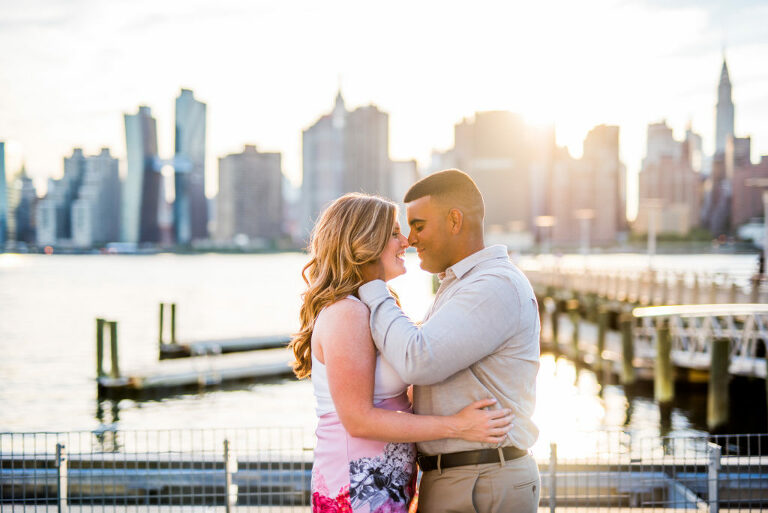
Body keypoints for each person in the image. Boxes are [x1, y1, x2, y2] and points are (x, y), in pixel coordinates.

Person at [290, 192, 514, 513]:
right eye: (395, 233)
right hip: (356, 489)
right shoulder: (346, 313)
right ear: (365, 242)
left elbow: (404, 390)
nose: (406, 241)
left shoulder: (370, 307)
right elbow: (358, 420)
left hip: (381, 486)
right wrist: (457, 425)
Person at [359, 169, 541, 513]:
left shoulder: (492, 285)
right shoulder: (463, 284)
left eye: (419, 226)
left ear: (455, 220)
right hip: (467, 477)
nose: (411, 240)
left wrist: (373, 286)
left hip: (481, 480)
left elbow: (418, 360)